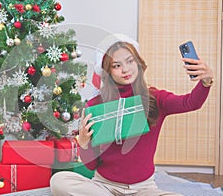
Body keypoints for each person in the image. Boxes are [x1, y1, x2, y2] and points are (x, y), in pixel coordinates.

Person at [50, 34, 214, 196]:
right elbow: (91, 166)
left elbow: (190, 103)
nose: (125, 69)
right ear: (108, 72)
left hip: (144, 189)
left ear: (138, 63)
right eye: (116, 65)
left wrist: (205, 82)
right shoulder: (95, 106)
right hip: (105, 187)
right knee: (59, 181)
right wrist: (84, 144)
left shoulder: (155, 98)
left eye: (130, 61)